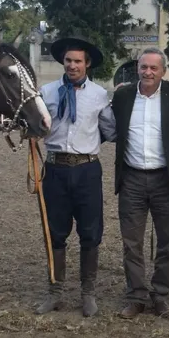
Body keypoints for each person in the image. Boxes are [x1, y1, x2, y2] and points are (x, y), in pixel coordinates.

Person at [34, 36, 116, 318]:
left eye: (78, 61)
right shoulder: (46, 92)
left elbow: (111, 130)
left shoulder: (99, 95)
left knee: (90, 233)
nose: (72, 65)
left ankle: (88, 294)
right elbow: (36, 126)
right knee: (54, 232)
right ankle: (55, 292)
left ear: (87, 63)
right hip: (54, 169)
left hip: (87, 171)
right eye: (68, 60)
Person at [112, 48, 169, 319]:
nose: (148, 72)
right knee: (131, 242)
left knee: (168, 241)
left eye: (154, 68)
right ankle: (136, 296)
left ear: (163, 71)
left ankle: (161, 295)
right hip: (131, 177)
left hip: (166, 178)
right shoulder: (122, 96)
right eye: (143, 67)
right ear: (137, 69)